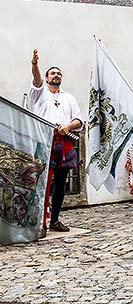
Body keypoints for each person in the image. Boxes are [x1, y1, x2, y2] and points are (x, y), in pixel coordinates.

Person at [27, 50, 82, 234]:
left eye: (59, 73)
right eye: (53, 73)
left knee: (60, 183)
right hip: (45, 141)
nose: (56, 75)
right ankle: (40, 222)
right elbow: (36, 80)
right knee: (43, 183)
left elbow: (79, 121)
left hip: (64, 143)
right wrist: (35, 65)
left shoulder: (69, 97)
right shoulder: (40, 92)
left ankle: (55, 220)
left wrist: (67, 126)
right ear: (47, 77)